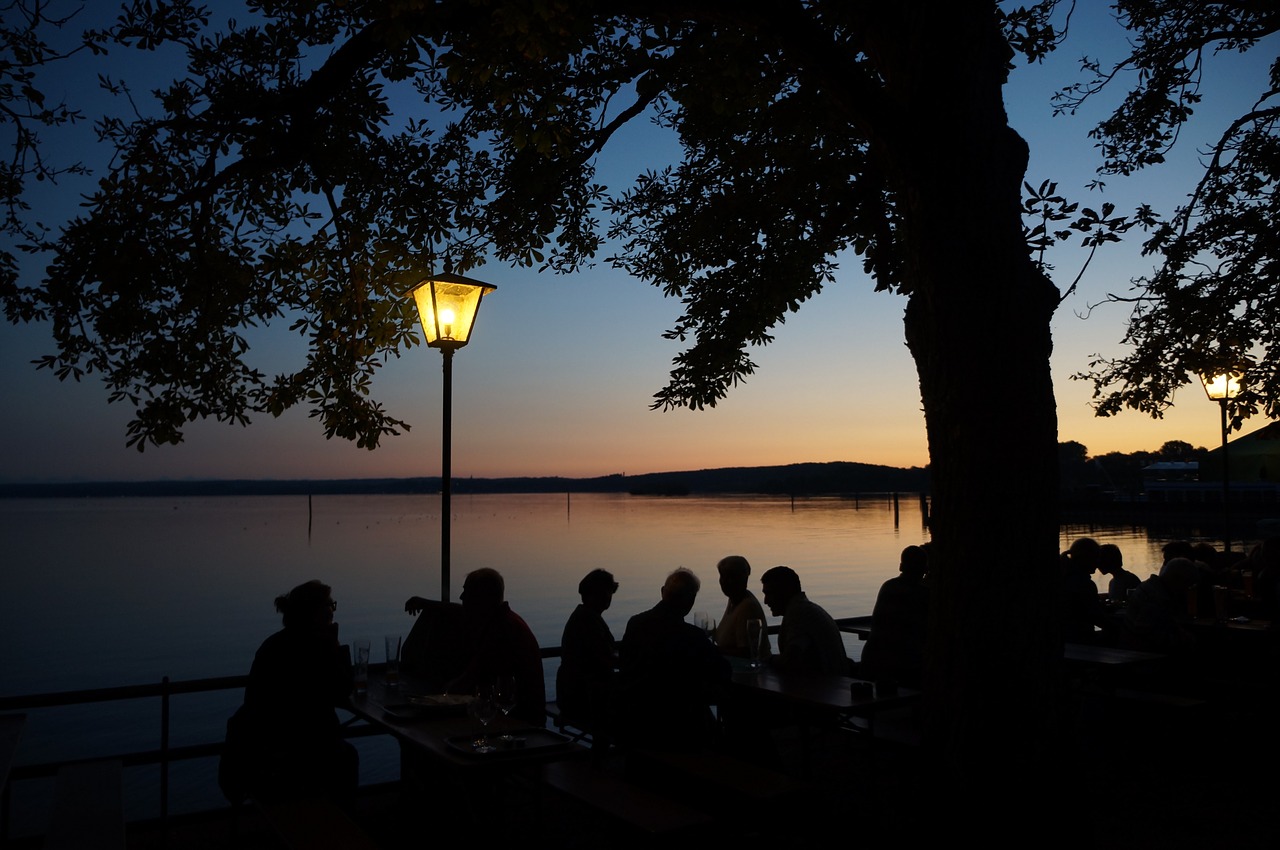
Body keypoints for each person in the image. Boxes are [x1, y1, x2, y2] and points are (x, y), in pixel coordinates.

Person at [219, 580, 356, 804]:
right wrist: (334, 644)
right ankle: (344, 828)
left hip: (261, 749)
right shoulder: (312, 648)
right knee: (346, 758)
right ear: (313, 612)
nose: (332, 611)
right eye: (330, 605)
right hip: (291, 753)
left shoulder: (274, 644)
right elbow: (341, 690)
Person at [618, 568, 730, 751]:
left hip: (634, 715)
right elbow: (722, 670)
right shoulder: (690, 636)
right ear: (690, 601)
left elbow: (625, 662)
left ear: (663, 592)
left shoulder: (635, 623)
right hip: (676, 724)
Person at [451, 568, 547, 726]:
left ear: (481, 598)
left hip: (519, 722)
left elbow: (470, 679)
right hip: (519, 716)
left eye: (466, 592)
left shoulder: (502, 630)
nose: (461, 597)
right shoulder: (505, 621)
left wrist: (442, 695)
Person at [556, 569, 619, 739]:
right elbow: (605, 659)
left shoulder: (586, 616)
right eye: (603, 592)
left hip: (575, 692)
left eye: (608, 592)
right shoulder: (587, 621)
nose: (607, 597)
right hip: (583, 697)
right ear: (589, 594)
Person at [858, 545, 929, 686]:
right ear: (924, 569)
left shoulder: (888, 586)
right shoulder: (923, 594)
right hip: (900, 668)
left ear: (901, 567)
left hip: (872, 660)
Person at [760, 566, 847, 674]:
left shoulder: (799, 614)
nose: (765, 601)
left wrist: (766, 660)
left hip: (824, 687)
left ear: (784, 591)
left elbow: (790, 660)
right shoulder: (804, 609)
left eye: (769, 593)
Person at [713, 555, 771, 659]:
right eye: (723, 576)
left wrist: (712, 650)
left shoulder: (748, 607)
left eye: (732, 577)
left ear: (744, 578)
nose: (726, 581)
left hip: (748, 671)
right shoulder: (733, 600)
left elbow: (747, 652)